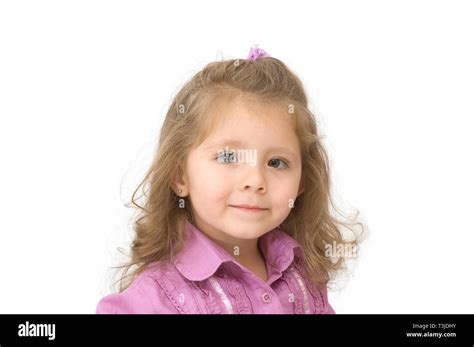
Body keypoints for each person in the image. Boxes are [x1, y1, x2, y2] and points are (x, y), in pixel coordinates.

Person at [96, 45, 360, 314]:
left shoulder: (304, 276)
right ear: (179, 176)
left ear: (303, 181)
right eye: (228, 158)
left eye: (276, 162)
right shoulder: (155, 298)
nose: (255, 180)